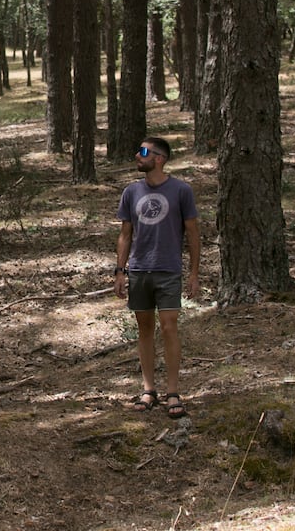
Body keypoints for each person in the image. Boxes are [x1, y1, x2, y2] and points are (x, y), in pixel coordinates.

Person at [113, 136, 200, 419]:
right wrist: (120, 271)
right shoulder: (131, 192)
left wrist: (194, 273)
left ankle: (173, 391)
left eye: (144, 151)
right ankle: (148, 389)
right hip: (139, 269)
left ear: (159, 158)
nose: (138, 155)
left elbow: (193, 235)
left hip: (168, 269)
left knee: (169, 326)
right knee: (145, 328)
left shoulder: (181, 191)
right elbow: (125, 235)